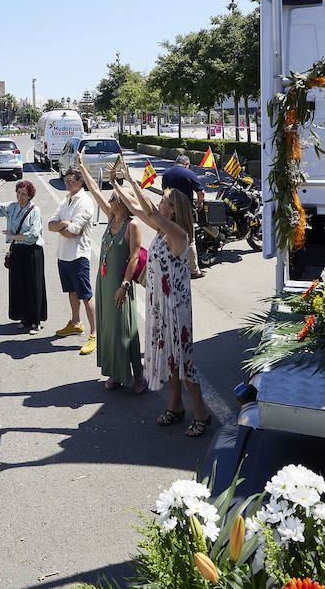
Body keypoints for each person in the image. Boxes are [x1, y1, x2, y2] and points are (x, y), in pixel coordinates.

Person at [113, 177, 211, 438]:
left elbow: (150, 211)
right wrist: (116, 183)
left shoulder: (178, 235)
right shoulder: (161, 231)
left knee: (184, 361)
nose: (159, 204)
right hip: (160, 307)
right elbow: (137, 208)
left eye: (164, 201)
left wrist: (134, 184)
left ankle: (201, 411)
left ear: (173, 209)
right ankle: (175, 405)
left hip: (175, 310)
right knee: (172, 361)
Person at [77, 153, 147, 392]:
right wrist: (81, 167)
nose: (108, 200)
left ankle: (137, 376)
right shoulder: (110, 217)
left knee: (125, 329)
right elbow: (95, 190)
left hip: (120, 283)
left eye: (113, 198)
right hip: (104, 281)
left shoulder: (132, 225)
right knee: (109, 328)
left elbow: (135, 257)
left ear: (121, 203)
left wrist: (124, 285)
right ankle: (115, 373)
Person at [0, 179, 46, 333]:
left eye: (24, 194)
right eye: (18, 193)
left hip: (33, 251)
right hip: (18, 251)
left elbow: (33, 235)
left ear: (30, 195)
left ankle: (35, 322)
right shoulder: (12, 207)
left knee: (33, 286)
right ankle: (25, 319)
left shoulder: (35, 210)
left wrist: (13, 236)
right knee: (19, 286)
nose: (20, 196)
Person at [48, 166, 97, 354]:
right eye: (66, 179)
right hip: (63, 254)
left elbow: (73, 232)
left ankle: (94, 335)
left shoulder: (85, 202)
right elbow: (51, 225)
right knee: (71, 292)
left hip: (78, 255)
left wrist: (64, 227)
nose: (67, 183)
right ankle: (76, 323)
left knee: (86, 295)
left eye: (71, 180)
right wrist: (64, 224)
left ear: (80, 181)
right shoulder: (66, 199)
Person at [161, 154, 207, 278]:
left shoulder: (166, 174)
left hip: (168, 210)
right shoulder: (188, 173)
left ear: (176, 162)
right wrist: (199, 202)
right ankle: (194, 270)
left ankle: (169, 265)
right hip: (184, 211)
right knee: (190, 239)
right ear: (186, 164)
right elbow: (201, 192)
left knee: (169, 236)